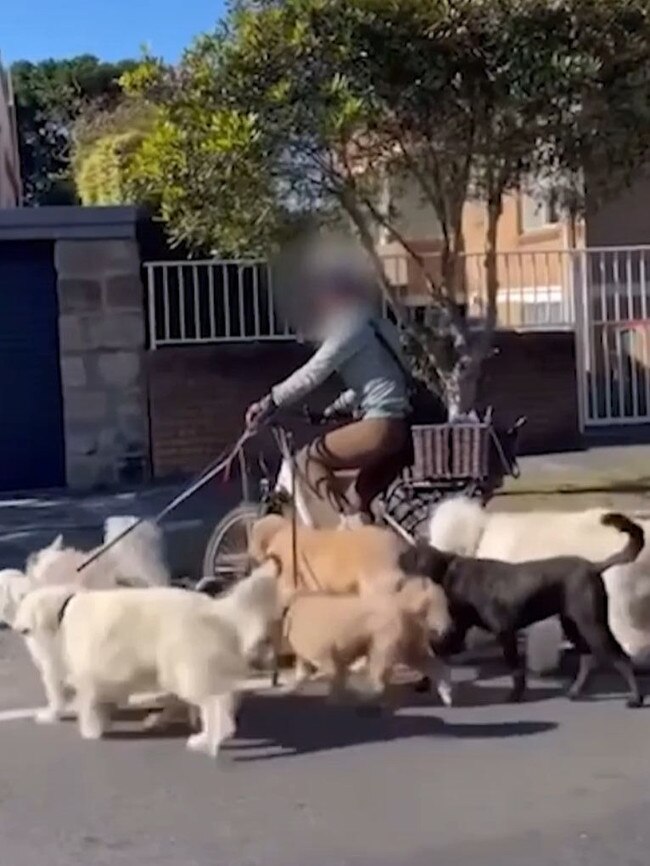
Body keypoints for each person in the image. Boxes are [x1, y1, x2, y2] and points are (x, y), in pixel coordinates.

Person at [244, 253, 413, 527]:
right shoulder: (378, 324)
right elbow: (379, 380)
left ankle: (345, 528)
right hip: (399, 429)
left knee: (305, 460)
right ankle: (362, 544)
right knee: (360, 501)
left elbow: (314, 373)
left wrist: (271, 400)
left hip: (380, 426)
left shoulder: (349, 327)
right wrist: (334, 409)